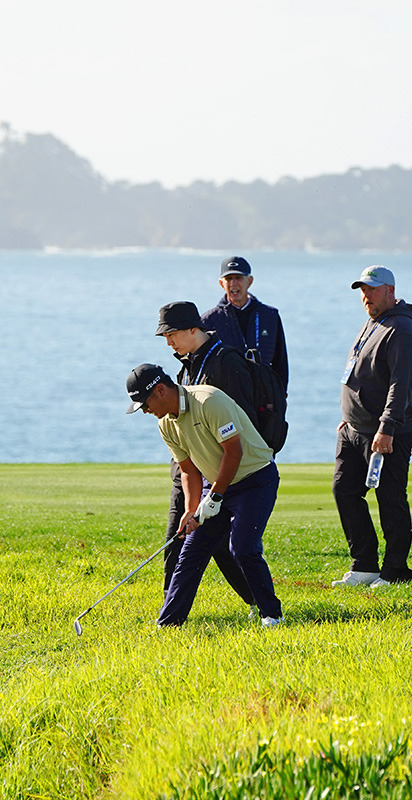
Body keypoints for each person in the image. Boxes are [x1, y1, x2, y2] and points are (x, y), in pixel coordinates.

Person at [126, 363, 284, 627]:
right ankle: (169, 623)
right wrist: (191, 508)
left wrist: (215, 497)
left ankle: (272, 615)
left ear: (161, 390)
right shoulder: (165, 424)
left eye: (145, 403)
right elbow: (188, 470)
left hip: (255, 480)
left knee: (242, 548)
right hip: (219, 487)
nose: (145, 410)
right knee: (191, 553)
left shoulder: (209, 401)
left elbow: (234, 451)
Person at [155, 301, 258, 613]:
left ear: (192, 329)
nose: (168, 341)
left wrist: (216, 485)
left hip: (221, 474)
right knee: (179, 540)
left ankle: (257, 601)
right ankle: (169, 614)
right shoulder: (186, 365)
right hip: (189, 472)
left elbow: (241, 425)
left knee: (225, 547)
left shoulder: (226, 362)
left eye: (171, 334)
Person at [332, 266, 412, 588]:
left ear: (390, 290)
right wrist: (348, 415)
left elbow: (400, 384)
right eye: (362, 290)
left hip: (387, 433)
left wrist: (386, 427)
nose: (365, 296)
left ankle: (395, 571)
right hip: (354, 429)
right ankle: (365, 566)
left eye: (372, 290)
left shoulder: (401, 329)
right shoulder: (375, 321)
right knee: (345, 492)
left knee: (390, 499)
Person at [201, 256, 289, 392]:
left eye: (238, 278)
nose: (233, 283)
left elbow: (281, 363)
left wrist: (280, 400)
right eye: (229, 279)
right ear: (221, 283)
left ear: (250, 281)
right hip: (227, 401)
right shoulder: (209, 321)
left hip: (265, 403)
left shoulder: (270, 316)